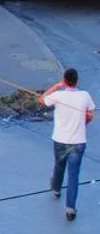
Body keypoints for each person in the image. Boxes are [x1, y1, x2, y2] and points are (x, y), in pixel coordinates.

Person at [40, 69, 94, 221]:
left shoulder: (58, 95)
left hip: (60, 139)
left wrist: (57, 86)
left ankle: (56, 189)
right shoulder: (85, 96)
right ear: (77, 81)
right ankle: (70, 208)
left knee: (59, 165)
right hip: (78, 141)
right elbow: (90, 115)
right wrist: (83, 124)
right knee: (73, 175)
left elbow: (42, 100)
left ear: (65, 80)